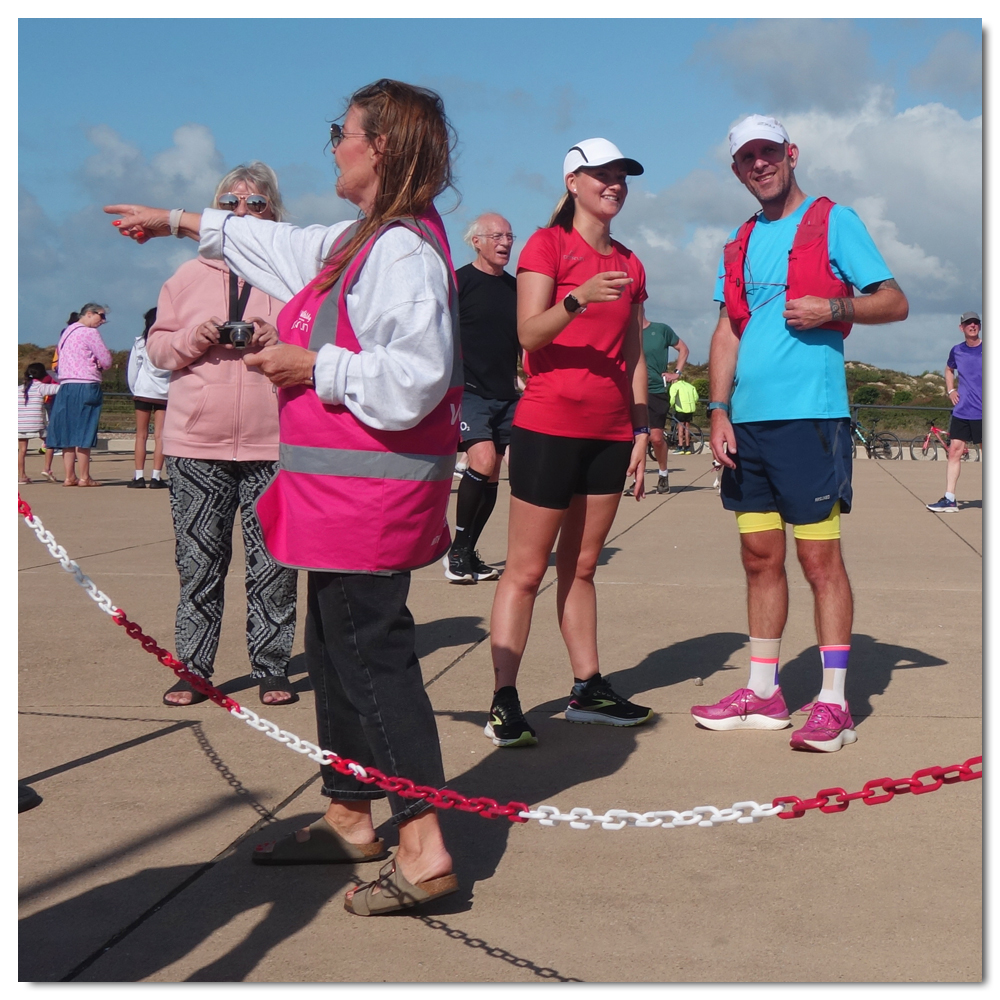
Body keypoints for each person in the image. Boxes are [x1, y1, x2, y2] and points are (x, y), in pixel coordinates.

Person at [107, 79, 461, 916]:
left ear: (379, 148)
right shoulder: (361, 240)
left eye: (342, 131)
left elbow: (417, 379)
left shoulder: (401, 251)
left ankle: (424, 842)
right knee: (335, 652)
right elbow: (283, 247)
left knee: (372, 657)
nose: (332, 143)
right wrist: (179, 221)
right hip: (340, 501)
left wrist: (314, 367)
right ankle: (348, 815)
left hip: (370, 503)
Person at [693, 114, 908, 752]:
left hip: (811, 418)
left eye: (767, 152)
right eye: (744, 158)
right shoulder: (737, 240)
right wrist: (717, 408)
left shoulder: (833, 220)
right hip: (747, 426)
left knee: (819, 559)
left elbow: (894, 300)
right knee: (759, 557)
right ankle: (763, 693)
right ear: (736, 169)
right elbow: (729, 328)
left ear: (790, 153)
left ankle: (834, 703)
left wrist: (833, 308)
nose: (757, 164)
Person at [484, 137, 653, 749]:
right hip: (548, 423)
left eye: (621, 176)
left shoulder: (632, 263)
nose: (614, 184)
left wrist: (639, 428)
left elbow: (633, 353)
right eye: (602, 175)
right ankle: (505, 699)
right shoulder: (547, 244)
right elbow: (529, 333)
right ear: (573, 183)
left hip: (609, 431)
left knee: (581, 568)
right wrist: (578, 298)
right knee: (526, 571)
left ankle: (588, 688)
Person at [139, 163, 299, 709]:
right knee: (199, 563)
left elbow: (310, 338)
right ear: (214, 211)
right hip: (195, 443)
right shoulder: (186, 277)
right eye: (232, 202)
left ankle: (272, 665)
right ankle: (194, 669)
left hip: (272, 442)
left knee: (274, 563)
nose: (243, 212)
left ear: (273, 213)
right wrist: (194, 337)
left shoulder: (287, 277)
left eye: (257, 204)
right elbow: (158, 350)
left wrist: (275, 334)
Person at [442, 212, 520, 583]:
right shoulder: (457, 283)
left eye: (509, 236)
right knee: (483, 460)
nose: (505, 243)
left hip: (506, 392)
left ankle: (469, 549)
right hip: (468, 390)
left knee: (491, 477)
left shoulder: (516, 287)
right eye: (497, 236)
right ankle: (456, 551)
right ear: (476, 241)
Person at [45, 304, 113, 486]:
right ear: (89, 314)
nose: (103, 321)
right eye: (101, 316)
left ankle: (69, 476)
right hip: (87, 384)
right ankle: (84, 476)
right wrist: (100, 364)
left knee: (67, 432)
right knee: (84, 430)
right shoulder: (90, 333)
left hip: (66, 385)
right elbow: (106, 360)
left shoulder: (66, 333)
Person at [625, 317, 688, 495]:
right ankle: (638, 480)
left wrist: (677, 373)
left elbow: (683, 349)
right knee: (637, 438)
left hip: (656, 390)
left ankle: (663, 474)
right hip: (632, 389)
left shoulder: (661, 330)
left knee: (656, 438)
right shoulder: (626, 332)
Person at [926, 311, 982, 513]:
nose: (972, 326)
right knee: (954, 453)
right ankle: (950, 499)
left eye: (976, 323)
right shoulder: (957, 351)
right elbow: (949, 369)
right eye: (968, 323)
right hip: (962, 411)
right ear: (962, 328)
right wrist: (951, 390)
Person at [126, 307, 171, 489]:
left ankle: (138, 476)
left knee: (141, 435)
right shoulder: (169, 344)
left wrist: (135, 388)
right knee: (160, 436)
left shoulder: (141, 343)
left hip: (144, 390)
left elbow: (132, 370)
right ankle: (156, 476)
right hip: (165, 393)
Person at [18, 363, 59, 484]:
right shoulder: (41, 387)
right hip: (36, 424)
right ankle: (47, 468)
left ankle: (22, 476)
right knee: (50, 442)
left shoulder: (18, 389)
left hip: (19, 425)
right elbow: (59, 388)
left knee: (22, 450)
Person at [669, 371, 699, 454]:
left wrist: (670, 405)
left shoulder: (675, 386)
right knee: (687, 428)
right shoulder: (690, 386)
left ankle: (680, 446)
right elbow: (696, 397)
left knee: (680, 427)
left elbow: (672, 397)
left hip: (681, 409)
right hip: (690, 409)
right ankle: (688, 447)